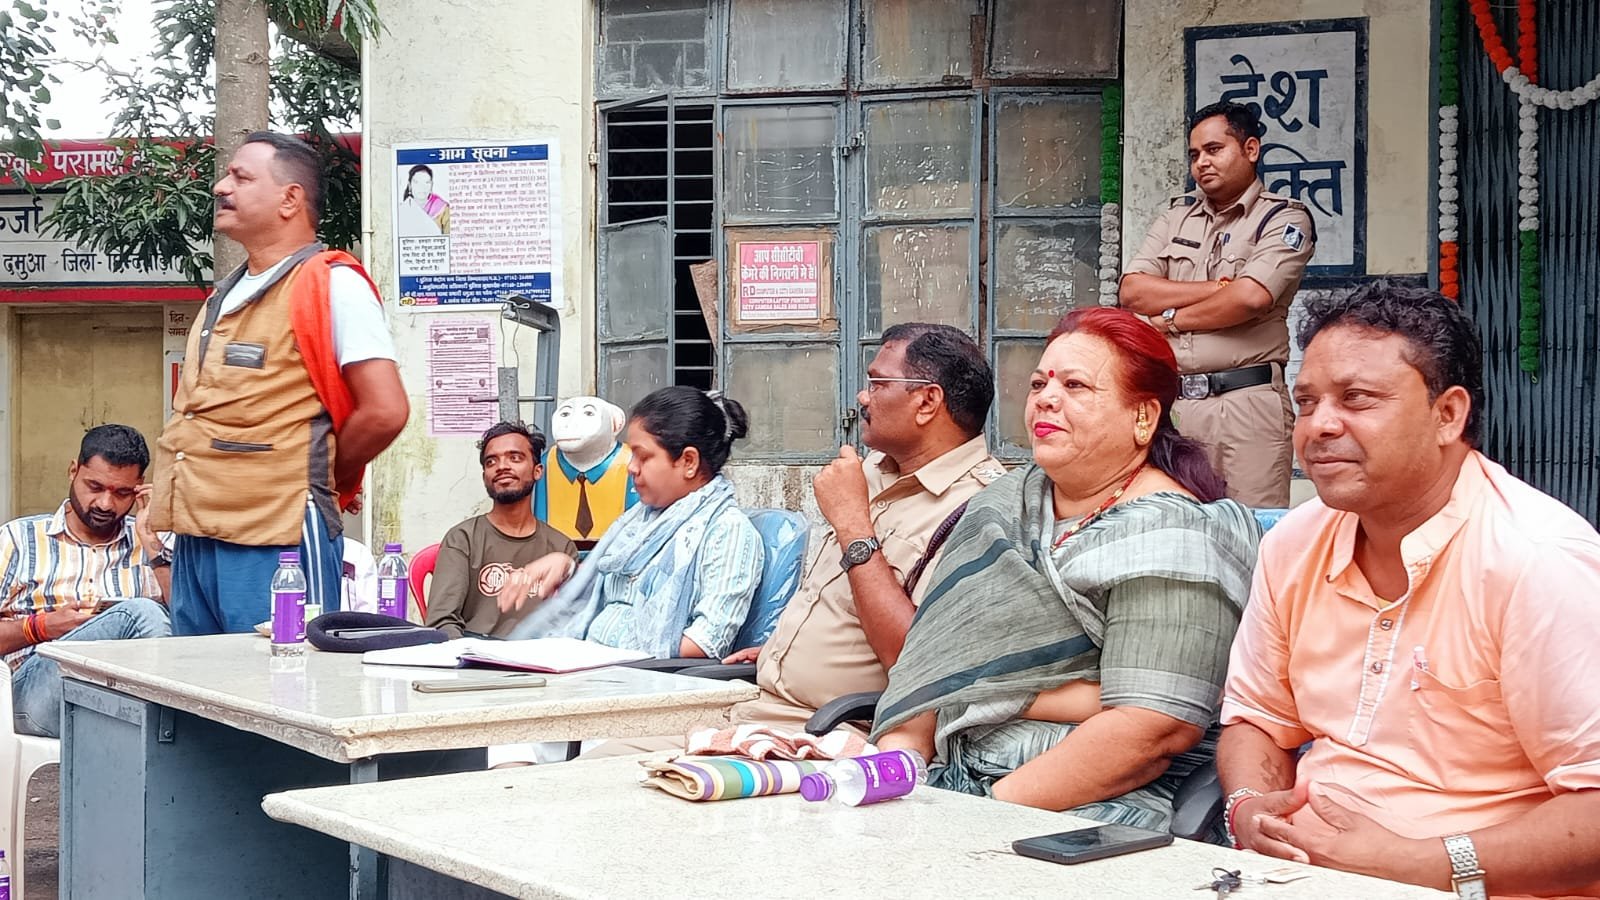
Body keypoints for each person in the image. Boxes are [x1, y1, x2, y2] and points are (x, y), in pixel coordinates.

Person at [1217, 282, 1600, 898]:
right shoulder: (1294, 543)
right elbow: (1257, 718)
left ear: (1447, 415)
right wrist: (1247, 804)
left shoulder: (1537, 561)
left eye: (1357, 399)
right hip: (1295, 876)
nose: (1320, 426)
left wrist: (1416, 862)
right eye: (1306, 402)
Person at [873, 308, 1259, 834]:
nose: (1046, 399)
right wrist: (899, 765)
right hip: (944, 782)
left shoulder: (1174, 535)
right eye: (1039, 384)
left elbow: (1152, 728)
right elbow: (933, 668)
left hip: (1083, 805)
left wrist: (981, 816)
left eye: (1075, 385)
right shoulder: (1000, 507)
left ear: (1143, 417)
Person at [587, 323, 1005, 757]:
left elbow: (921, 667)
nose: (863, 397)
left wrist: (854, 527)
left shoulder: (978, 508)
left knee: (608, 772)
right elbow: (840, 607)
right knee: (590, 764)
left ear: (927, 401)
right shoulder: (872, 473)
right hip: (758, 704)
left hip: (827, 731)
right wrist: (782, 652)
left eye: (878, 383)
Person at [150, 132, 410, 635]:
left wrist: (327, 475)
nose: (221, 187)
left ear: (290, 199)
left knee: (278, 676)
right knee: (196, 679)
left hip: (277, 534)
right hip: (196, 532)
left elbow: (385, 411)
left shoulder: (332, 283)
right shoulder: (225, 293)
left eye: (241, 177)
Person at [1119, 100, 1316, 508]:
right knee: (1176, 526)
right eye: (1194, 155)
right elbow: (1134, 291)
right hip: (1176, 406)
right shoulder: (1176, 217)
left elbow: (1249, 298)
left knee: (1251, 529)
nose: (1201, 163)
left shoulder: (1283, 219)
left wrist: (1169, 320)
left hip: (1247, 404)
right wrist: (1216, 288)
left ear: (1250, 149)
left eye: (1213, 150)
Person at [500, 387, 761, 660]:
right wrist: (566, 568)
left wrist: (606, 651)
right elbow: (610, 587)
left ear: (688, 461)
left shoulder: (727, 531)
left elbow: (706, 642)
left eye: (643, 456)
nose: (631, 467)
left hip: (642, 675)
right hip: (594, 665)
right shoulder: (640, 521)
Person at [0, 425, 172, 736]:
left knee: (150, 616)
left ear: (139, 488)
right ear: (73, 471)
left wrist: (152, 543)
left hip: (126, 703)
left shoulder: (151, 544)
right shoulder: (18, 539)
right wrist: (40, 627)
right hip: (35, 697)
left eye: (122, 493)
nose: (106, 504)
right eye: (94, 486)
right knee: (142, 612)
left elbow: (192, 630)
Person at [427, 421, 578, 638]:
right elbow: (441, 622)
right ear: (484, 477)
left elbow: (576, 621)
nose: (502, 467)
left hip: (539, 656)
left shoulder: (561, 548)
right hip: (474, 654)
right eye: (491, 461)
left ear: (537, 471)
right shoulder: (463, 539)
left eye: (515, 458)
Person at [399, 164, 451, 235]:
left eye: (427, 182)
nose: (422, 187)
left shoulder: (444, 210)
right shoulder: (403, 209)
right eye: (417, 182)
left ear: (431, 185)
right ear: (410, 185)